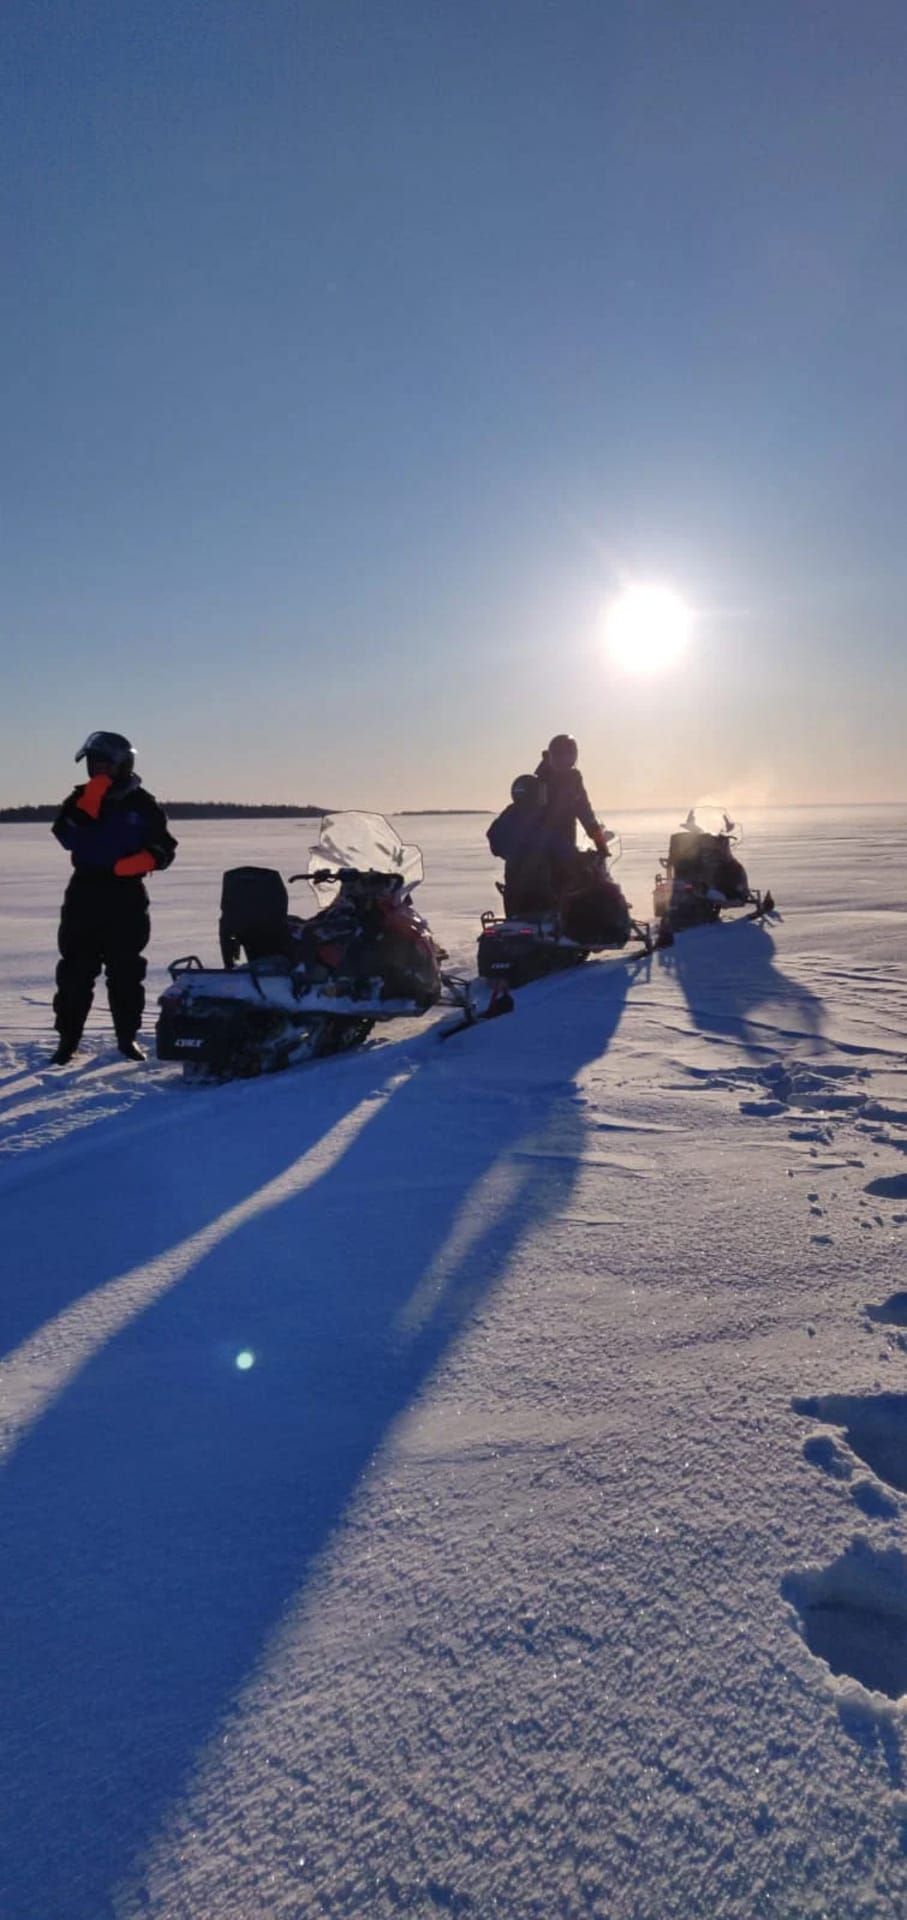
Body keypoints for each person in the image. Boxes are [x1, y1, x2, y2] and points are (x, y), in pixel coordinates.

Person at [50, 731, 177, 1065]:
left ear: (122, 764)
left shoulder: (142, 803)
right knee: (75, 971)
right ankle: (68, 1041)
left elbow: (166, 846)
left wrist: (146, 859)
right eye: (92, 765)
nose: (96, 770)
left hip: (126, 896)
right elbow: (64, 835)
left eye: (103, 764)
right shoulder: (80, 798)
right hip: (85, 892)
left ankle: (127, 1039)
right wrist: (88, 803)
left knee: (126, 972)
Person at [534, 734, 610, 886]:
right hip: (555, 849)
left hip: (542, 851)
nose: (564, 761)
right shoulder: (565, 780)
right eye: (561, 756)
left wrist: (599, 841)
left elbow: (584, 812)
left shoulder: (542, 779)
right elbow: (584, 811)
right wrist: (600, 845)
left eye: (568, 756)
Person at [487, 774, 554, 914]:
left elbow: (493, 836)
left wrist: (506, 853)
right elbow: (555, 841)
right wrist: (574, 856)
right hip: (538, 880)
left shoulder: (510, 813)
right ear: (533, 794)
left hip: (514, 876)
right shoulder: (540, 816)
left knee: (515, 909)